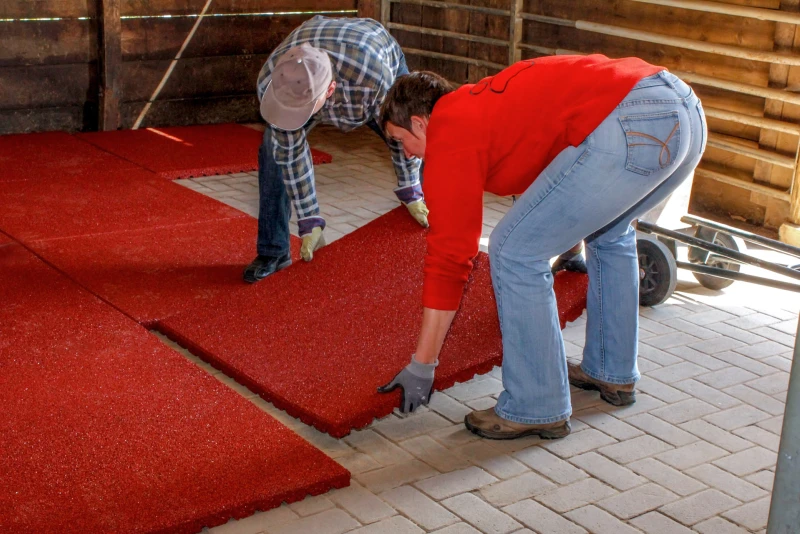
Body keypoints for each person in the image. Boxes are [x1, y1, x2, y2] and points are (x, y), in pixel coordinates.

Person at [377, 55, 707, 439]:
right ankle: (611, 371)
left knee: (513, 251)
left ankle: (537, 404)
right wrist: (568, 248)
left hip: (630, 120)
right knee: (611, 234)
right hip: (682, 109)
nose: (409, 156)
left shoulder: (450, 125)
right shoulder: (490, 107)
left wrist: (424, 363)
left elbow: (450, 256)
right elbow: (557, 185)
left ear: (419, 122)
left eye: (402, 142)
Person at [243, 16, 429, 283]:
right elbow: (290, 152)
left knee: (416, 139)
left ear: (330, 90)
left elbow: (401, 135)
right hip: (321, 53)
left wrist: (410, 188)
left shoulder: (374, 80)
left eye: (303, 109)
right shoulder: (272, 81)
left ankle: (428, 242)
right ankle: (273, 253)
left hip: (373, 54)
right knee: (273, 150)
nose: (296, 117)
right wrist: (309, 219)